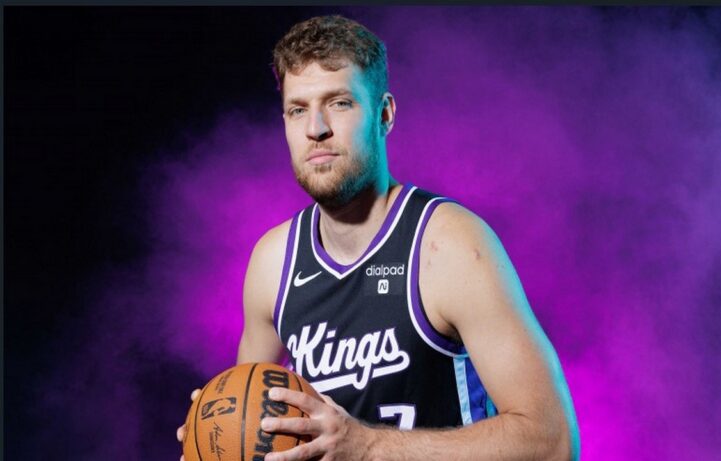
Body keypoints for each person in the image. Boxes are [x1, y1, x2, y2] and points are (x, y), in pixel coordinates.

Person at [178, 15, 580, 461]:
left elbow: (553, 441)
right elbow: (255, 428)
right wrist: (215, 438)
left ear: (384, 114)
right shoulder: (273, 263)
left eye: (339, 103)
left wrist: (367, 446)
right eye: (298, 109)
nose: (316, 128)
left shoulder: (448, 245)